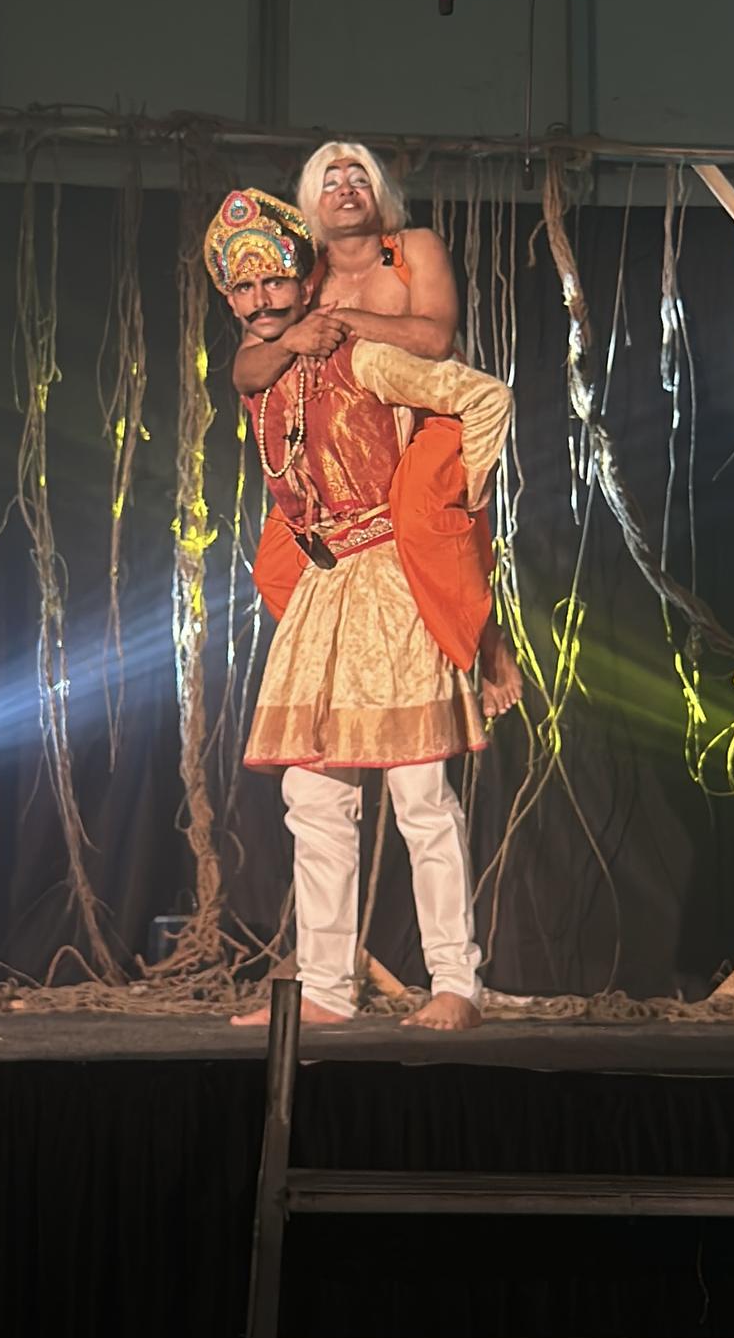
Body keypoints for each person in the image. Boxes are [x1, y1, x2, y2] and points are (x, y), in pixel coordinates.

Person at [205, 187, 513, 1030]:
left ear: (308, 284)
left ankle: (458, 982)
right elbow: (243, 366)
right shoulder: (262, 379)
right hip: (321, 590)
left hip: (391, 579)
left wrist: (456, 503)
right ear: (230, 299)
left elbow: (483, 396)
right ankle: (326, 991)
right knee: (314, 800)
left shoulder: (360, 355)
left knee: (420, 795)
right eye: (244, 287)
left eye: (276, 283)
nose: (263, 299)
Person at [232, 139, 522, 719]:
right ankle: (346, 661)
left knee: (423, 520)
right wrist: (292, 337)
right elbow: (246, 369)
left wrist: (342, 323)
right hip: (339, 435)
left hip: (424, 419)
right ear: (312, 201)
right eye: (331, 179)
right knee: (274, 566)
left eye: (358, 176)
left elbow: (437, 339)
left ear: (379, 192)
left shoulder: (407, 250)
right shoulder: (300, 275)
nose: (345, 188)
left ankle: (485, 645)